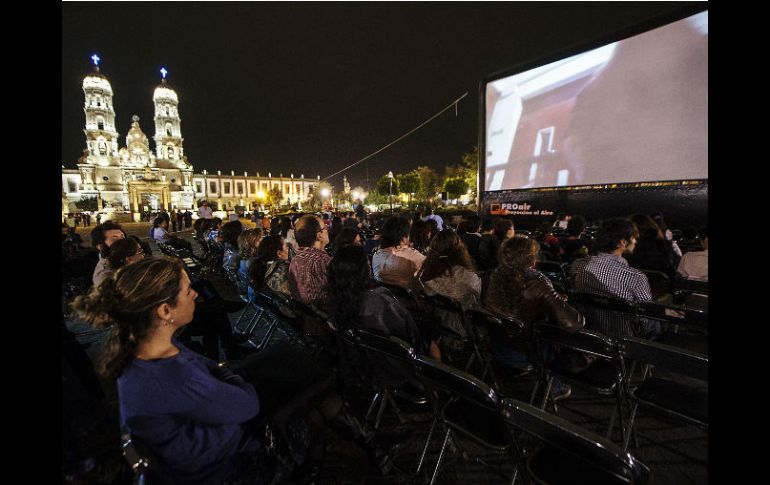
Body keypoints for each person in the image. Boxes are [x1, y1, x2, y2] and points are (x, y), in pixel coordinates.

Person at [69, 258, 294, 484]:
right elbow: (247, 404)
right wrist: (227, 375)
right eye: (188, 291)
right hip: (226, 467)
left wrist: (220, 374)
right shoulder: (173, 375)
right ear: (165, 310)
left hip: (191, 454)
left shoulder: (139, 351)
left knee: (282, 357)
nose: (195, 294)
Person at [483, 237, 584, 399]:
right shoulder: (537, 281)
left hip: (498, 346)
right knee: (560, 333)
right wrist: (556, 301)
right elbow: (573, 324)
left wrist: (554, 299)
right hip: (527, 353)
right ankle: (555, 385)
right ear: (532, 258)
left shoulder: (492, 275)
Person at [326, 245, 441, 360]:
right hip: (395, 364)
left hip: (359, 363)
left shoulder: (333, 301)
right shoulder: (381, 302)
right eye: (367, 263)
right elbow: (411, 335)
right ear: (364, 270)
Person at [571, 218, 654, 338]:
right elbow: (645, 321)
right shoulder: (636, 277)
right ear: (622, 242)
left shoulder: (577, 265)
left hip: (590, 336)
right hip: (624, 341)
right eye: (633, 238)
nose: (635, 241)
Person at [371, 216, 426, 290]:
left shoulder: (377, 255)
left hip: (382, 298)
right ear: (404, 237)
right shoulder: (413, 256)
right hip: (408, 299)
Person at [288, 215, 332, 307]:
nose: (327, 230)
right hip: (325, 317)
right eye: (325, 227)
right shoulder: (323, 262)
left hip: (306, 316)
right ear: (319, 235)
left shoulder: (295, 259)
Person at [249, 234, 291, 300]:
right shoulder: (285, 270)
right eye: (286, 246)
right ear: (279, 253)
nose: (288, 249)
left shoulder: (260, 265)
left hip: (266, 303)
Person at [90, 221, 127, 286]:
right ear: (100, 246)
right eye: (115, 239)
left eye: (122, 237)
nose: (122, 242)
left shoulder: (126, 259)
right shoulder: (105, 276)